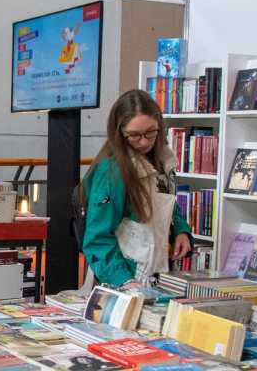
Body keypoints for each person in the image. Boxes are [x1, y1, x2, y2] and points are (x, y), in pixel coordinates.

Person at [80, 89, 192, 291]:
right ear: (120, 134)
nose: (144, 141)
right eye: (134, 135)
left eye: (151, 132)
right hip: (124, 275)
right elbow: (97, 238)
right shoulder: (111, 171)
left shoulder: (163, 160)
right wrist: (123, 280)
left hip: (156, 270)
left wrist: (181, 230)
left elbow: (165, 202)